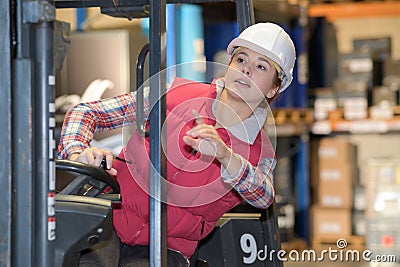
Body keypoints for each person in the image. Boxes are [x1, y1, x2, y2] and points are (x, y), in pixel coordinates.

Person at [58, 22, 296, 266]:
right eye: (241, 59)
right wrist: (78, 154)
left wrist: (226, 156)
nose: (246, 70)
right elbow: (86, 113)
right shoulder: (174, 93)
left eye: (260, 66)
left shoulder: (261, 154)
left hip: (166, 249)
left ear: (273, 88)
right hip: (108, 225)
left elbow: (263, 196)